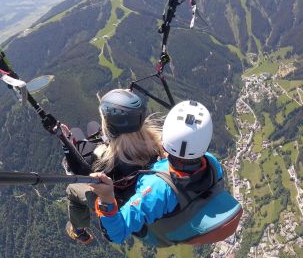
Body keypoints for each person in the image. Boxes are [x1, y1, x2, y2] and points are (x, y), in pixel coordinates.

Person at [87, 100, 242, 247]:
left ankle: (79, 227)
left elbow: (116, 234)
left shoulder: (157, 189)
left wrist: (106, 198)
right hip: (184, 216)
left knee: (79, 193)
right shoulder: (211, 162)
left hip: (157, 234)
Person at [64, 88, 164, 244]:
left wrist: (66, 143)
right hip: (146, 198)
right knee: (92, 127)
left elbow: (79, 172)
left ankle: (79, 230)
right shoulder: (158, 145)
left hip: (119, 204)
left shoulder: (103, 160)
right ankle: (93, 140)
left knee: (72, 189)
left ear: (110, 129)